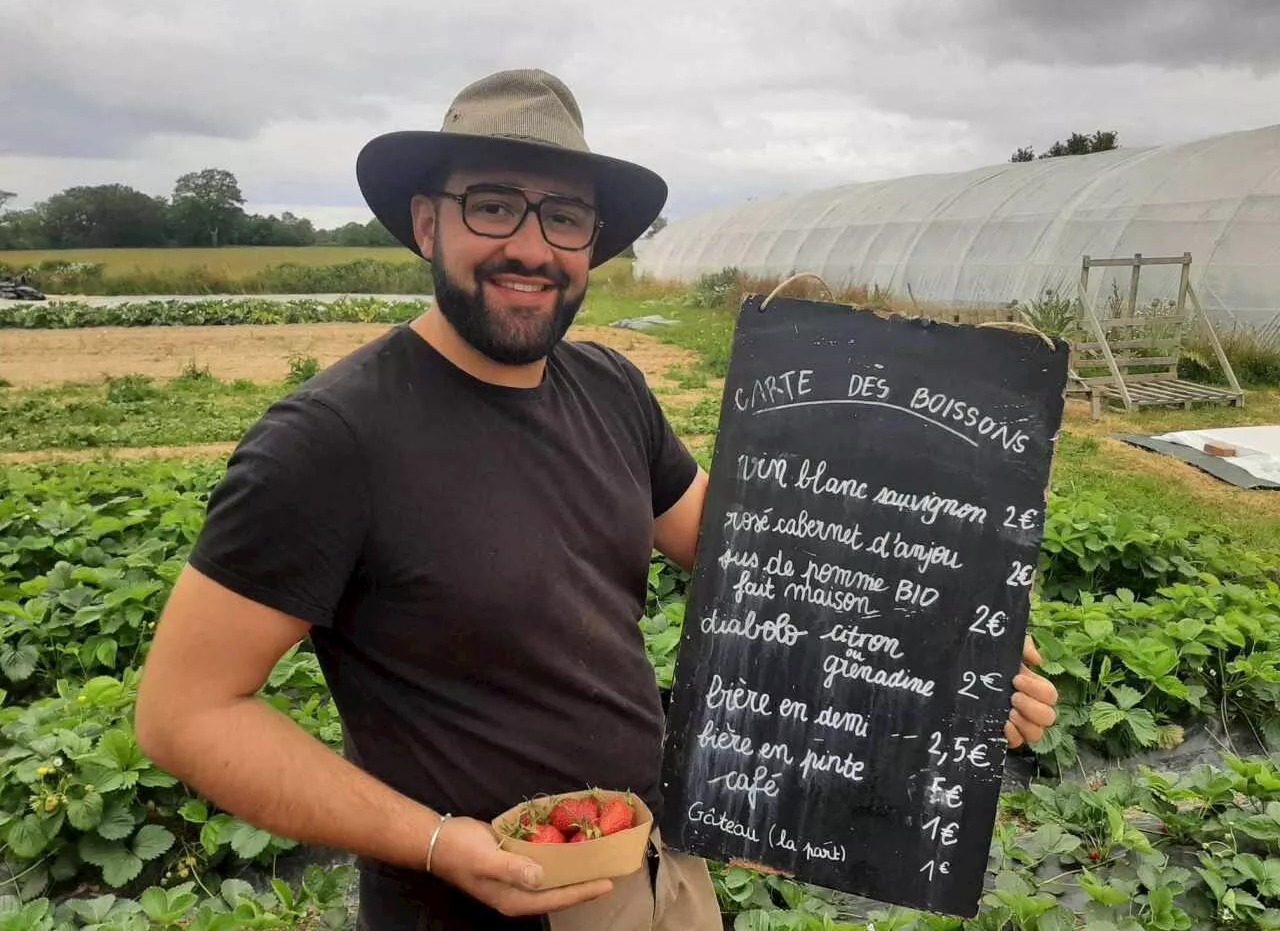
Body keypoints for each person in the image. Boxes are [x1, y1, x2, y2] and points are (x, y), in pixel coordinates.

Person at [134, 69, 1060, 931]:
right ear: (426, 223)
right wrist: (438, 845)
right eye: (492, 205)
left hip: (658, 869)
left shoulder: (609, 387)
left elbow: (751, 558)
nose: (530, 248)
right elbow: (187, 713)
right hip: (475, 905)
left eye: (565, 217)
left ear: (592, 243)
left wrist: (948, 655)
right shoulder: (330, 442)